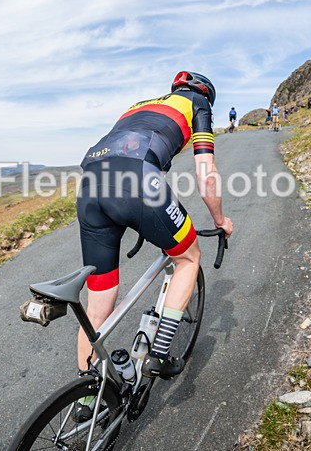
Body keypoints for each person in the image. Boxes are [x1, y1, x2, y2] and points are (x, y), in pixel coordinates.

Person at [75, 71, 234, 395]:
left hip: (90, 185)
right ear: (205, 94)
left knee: (98, 302)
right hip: (137, 182)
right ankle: (159, 355)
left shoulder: (136, 106)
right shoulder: (198, 103)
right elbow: (206, 173)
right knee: (189, 258)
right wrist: (220, 219)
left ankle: (87, 397)